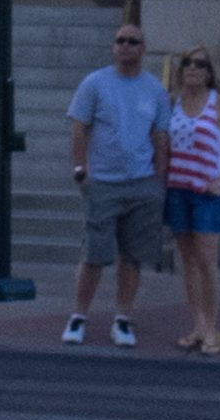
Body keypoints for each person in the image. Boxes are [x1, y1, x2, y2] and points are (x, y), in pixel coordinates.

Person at [61, 19, 174, 347]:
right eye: (121, 41)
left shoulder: (154, 88)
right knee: (95, 254)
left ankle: (123, 318)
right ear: (113, 47)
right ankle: (79, 315)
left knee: (132, 255)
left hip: (141, 183)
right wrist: (81, 168)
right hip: (104, 183)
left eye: (133, 42)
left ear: (143, 49)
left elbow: (160, 135)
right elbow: (79, 127)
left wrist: (158, 179)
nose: (126, 46)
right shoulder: (95, 83)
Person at [160, 45, 220, 356]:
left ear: (209, 72)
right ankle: (198, 324)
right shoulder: (173, 102)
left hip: (206, 192)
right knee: (187, 260)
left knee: (207, 260)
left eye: (200, 64)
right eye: (187, 63)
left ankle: (212, 327)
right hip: (177, 188)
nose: (193, 68)